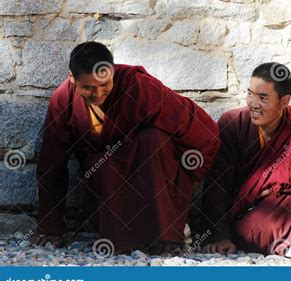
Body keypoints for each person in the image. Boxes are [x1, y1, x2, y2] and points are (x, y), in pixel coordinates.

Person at [31, 41, 220, 252]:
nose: (99, 94)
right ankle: (124, 237)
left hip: (151, 174)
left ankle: (166, 233)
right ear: (71, 78)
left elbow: (205, 132)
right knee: (107, 162)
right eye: (88, 88)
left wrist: (186, 181)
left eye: (105, 85)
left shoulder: (138, 86)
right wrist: (50, 227)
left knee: (153, 140)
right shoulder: (63, 99)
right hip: (105, 182)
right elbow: (52, 162)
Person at [201, 63, 291, 260]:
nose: (253, 103)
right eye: (250, 94)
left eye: (262, 98)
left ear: (284, 100)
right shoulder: (234, 124)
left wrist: (276, 187)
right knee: (252, 226)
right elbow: (217, 185)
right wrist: (219, 235)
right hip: (251, 210)